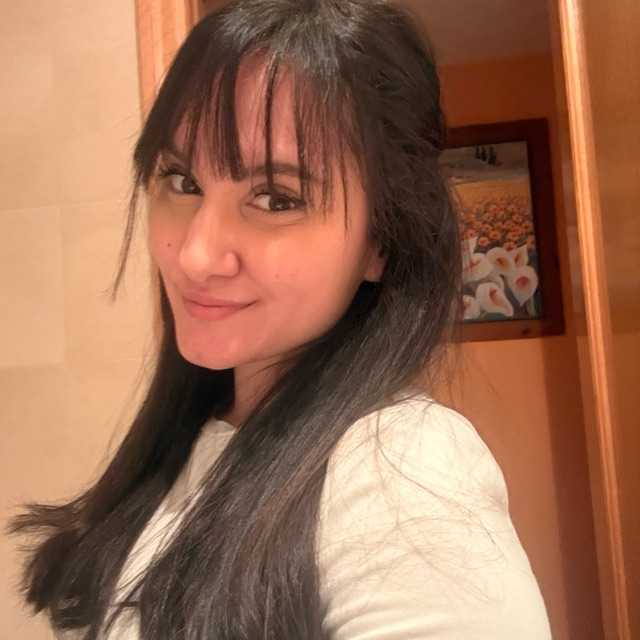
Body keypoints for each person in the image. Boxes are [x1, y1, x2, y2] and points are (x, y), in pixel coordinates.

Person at [6, 0, 552, 638]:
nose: (196, 255)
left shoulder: (402, 465)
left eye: (275, 198)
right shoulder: (193, 442)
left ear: (382, 239)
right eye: (181, 181)